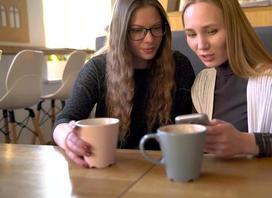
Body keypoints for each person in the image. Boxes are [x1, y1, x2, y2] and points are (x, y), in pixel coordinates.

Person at [53, 0, 195, 167]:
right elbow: (64, 120)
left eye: (156, 28)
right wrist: (68, 138)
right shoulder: (98, 68)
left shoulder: (179, 65)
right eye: (137, 31)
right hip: (113, 166)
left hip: (167, 165)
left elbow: (187, 127)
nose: (149, 39)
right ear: (121, 32)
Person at [181, 0, 272, 158]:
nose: (201, 45)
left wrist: (246, 142)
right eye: (191, 34)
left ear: (234, 28)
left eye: (211, 31)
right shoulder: (202, 84)